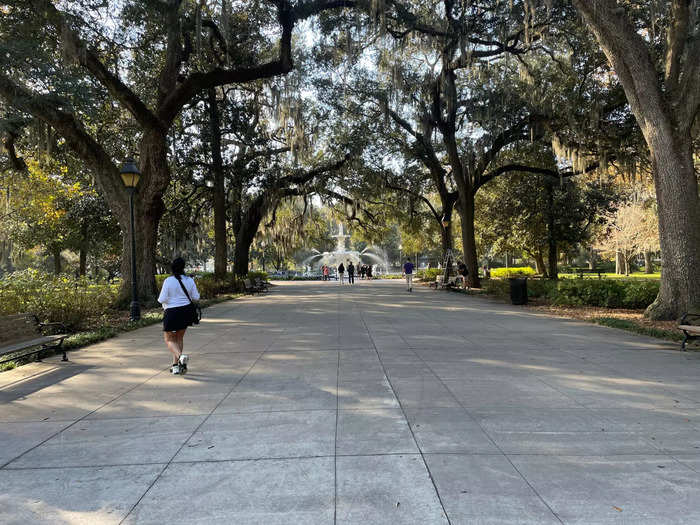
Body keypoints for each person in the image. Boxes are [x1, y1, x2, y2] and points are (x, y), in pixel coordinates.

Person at [158, 257, 200, 374]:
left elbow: (162, 299)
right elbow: (196, 297)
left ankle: (180, 357)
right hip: (185, 312)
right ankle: (176, 366)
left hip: (171, 312)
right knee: (179, 338)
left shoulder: (168, 281)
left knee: (169, 339)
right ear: (183, 267)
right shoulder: (189, 280)